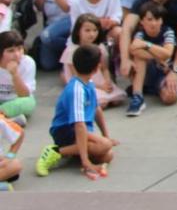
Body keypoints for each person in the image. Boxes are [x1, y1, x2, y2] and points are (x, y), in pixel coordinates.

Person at [35, 44, 116, 179]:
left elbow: (97, 109)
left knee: (108, 155)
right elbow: (79, 125)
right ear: (97, 68)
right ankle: (56, 151)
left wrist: (106, 135)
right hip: (66, 130)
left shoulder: (88, 83)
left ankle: (75, 151)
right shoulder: (77, 89)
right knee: (104, 145)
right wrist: (86, 161)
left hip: (81, 129)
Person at [60, 14, 125, 108]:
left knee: (117, 100)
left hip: (100, 81)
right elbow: (76, 76)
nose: (92, 34)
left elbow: (104, 68)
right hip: (83, 84)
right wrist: (99, 86)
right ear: (78, 31)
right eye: (87, 30)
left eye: (95, 30)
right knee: (101, 103)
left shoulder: (100, 48)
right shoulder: (72, 51)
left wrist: (107, 82)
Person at [0, 30, 36, 123]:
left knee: (28, 103)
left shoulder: (28, 63)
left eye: (20, 49)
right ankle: (9, 120)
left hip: (16, 100)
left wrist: (15, 75)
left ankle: (4, 119)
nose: (17, 55)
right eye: (10, 51)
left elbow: (24, 95)